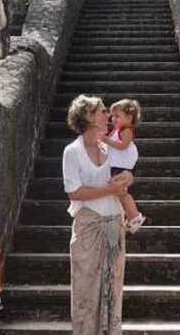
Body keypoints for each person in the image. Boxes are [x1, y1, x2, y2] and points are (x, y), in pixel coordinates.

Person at [63, 95, 132, 335]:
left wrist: (127, 178)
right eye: (102, 111)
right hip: (89, 227)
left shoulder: (109, 147)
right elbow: (74, 192)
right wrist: (110, 189)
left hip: (114, 224)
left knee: (113, 288)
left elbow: (122, 175)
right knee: (86, 290)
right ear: (88, 117)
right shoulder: (72, 152)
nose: (108, 116)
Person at [104, 99, 146, 233]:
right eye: (112, 116)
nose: (113, 118)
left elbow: (123, 146)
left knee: (121, 193)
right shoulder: (117, 130)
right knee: (119, 193)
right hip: (115, 165)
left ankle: (134, 216)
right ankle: (130, 216)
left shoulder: (125, 130)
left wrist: (106, 140)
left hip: (120, 167)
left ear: (128, 118)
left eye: (117, 116)